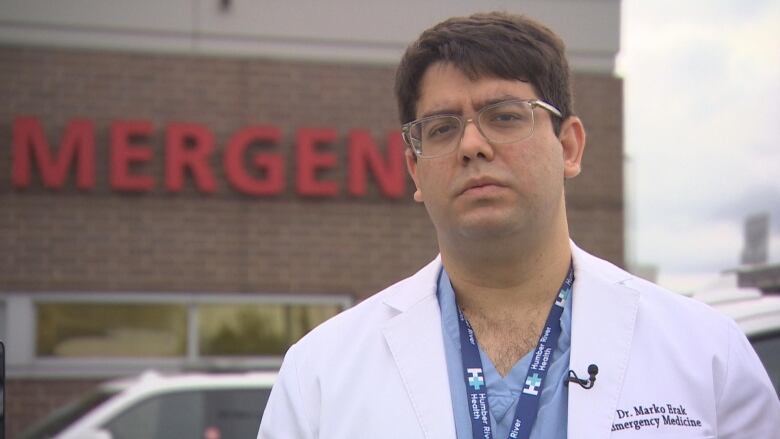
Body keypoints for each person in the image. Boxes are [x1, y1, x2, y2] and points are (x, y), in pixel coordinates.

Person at [258, 11, 779, 439]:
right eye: (441, 129)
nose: (471, 145)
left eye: (505, 115)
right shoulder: (320, 373)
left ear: (569, 147)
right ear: (415, 170)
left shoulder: (706, 353)